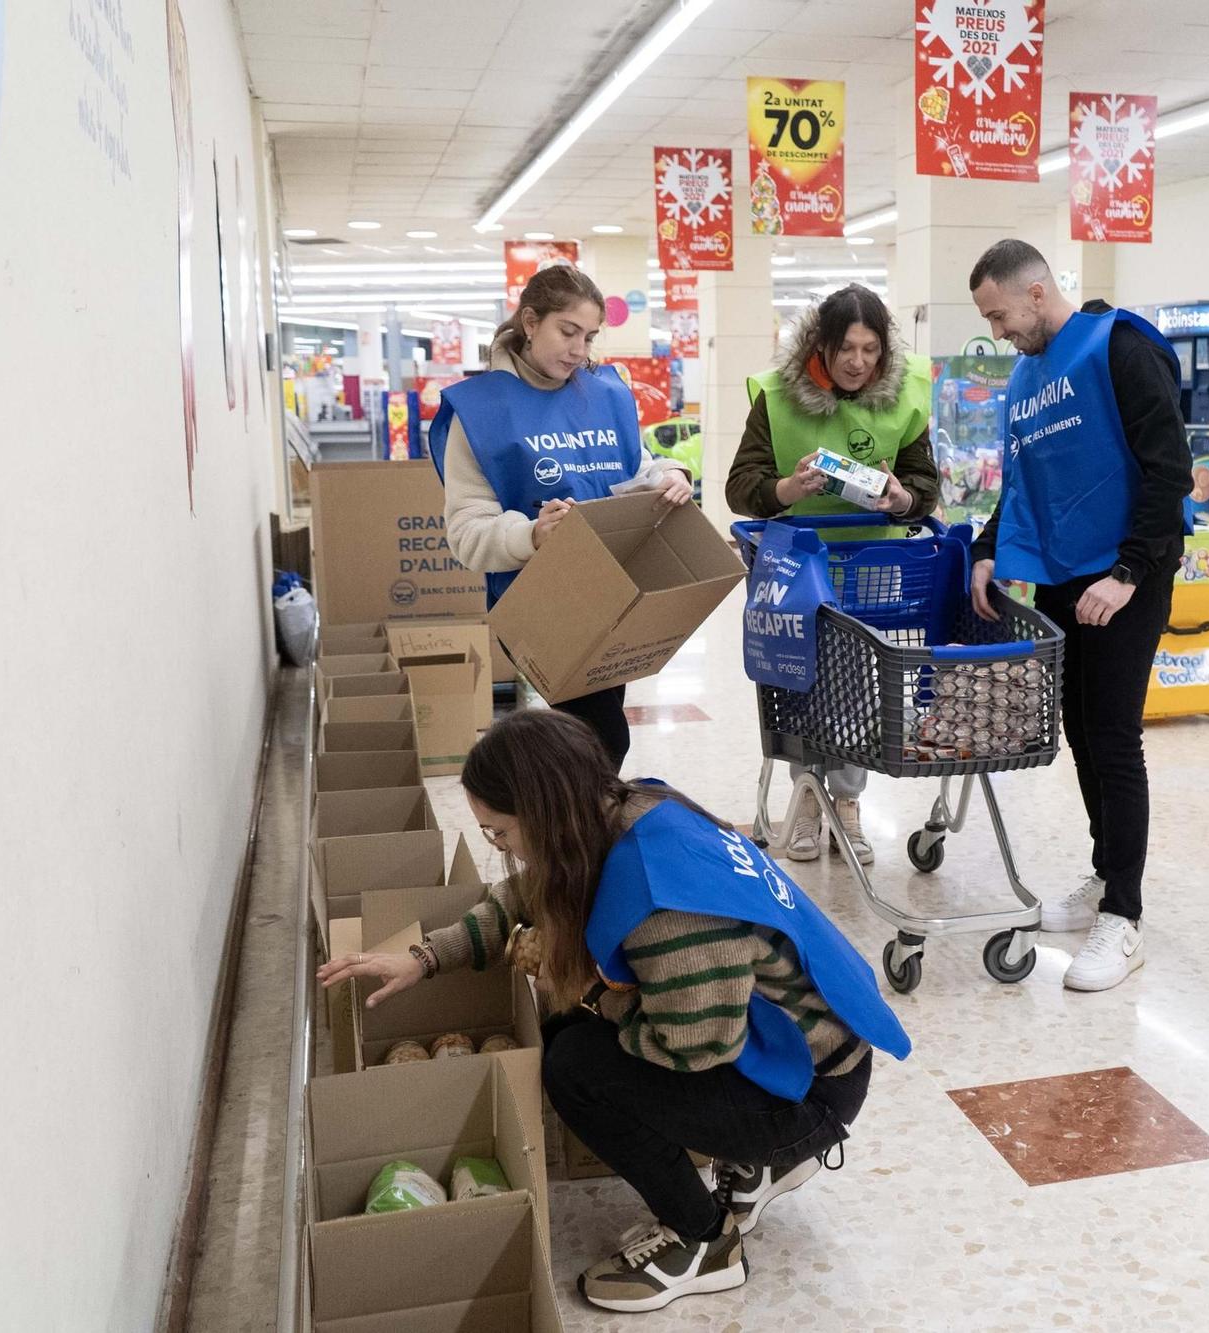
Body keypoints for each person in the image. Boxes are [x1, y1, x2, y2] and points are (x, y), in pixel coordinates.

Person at [316, 710, 910, 1314]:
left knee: (576, 1064)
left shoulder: (669, 913)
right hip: (789, 1047)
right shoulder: (626, 807)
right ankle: (749, 1165)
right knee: (570, 1027)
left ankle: (705, 1242)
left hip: (811, 1093)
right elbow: (525, 894)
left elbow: (695, 1049)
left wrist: (592, 994)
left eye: (500, 833)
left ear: (547, 816)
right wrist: (425, 958)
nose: (501, 849)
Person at [966, 239, 1192, 993]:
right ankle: (1104, 877)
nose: (998, 333)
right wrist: (990, 548)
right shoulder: (1027, 378)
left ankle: (1123, 917)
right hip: (1064, 579)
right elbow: (1020, 482)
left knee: (1116, 737)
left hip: (1127, 575)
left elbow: (1170, 470)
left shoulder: (1119, 347)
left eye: (1000, 314)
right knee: (1082, 732)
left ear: (1037, 292)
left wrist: (1129, 571)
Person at [429, 265, 692, 768]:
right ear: (530, 322)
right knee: (603, 738)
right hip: (538, 605)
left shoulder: (605, 394)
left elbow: (635, 471)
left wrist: (669, 476)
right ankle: (574, 834)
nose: (579, 350)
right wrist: (532, 534)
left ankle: (564, 831)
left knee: (594, 736)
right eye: (567, 332)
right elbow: (465, 533)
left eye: (589, 337)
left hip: (613, 593)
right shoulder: (479, 412)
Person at [726, 283, 940, 864]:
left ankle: (847, 802)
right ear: (820, 343)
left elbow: (925, 486)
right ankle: (806, 799)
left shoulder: (908, 394)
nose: (858, 362)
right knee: (800, 683)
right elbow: (739, 484)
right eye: (847, 348)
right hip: (796, 565)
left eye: (871, 350)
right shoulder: (775, 395)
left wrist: (901, 500)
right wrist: (785, 489)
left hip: (872, 568)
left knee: (856, 687)